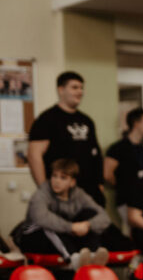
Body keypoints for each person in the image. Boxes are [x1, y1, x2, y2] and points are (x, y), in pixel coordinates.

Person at [17, 157, 132, 267]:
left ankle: (92, 255)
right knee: (48, 224)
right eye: (54, 176)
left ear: (72, 182)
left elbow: (104, 217)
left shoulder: (79, 194)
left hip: (66, 237)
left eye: (63, 178)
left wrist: (87, 225)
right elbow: (40, 218)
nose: (57, 181)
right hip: (33, 237)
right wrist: (71, 227)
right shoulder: (42, 193)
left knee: (89, 214)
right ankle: (73, 259)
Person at [28, 70, 105, 204]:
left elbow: (96, 155)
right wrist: (44, 190)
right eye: (74, 87)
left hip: (89, 193)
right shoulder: (47, 119)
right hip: (62, 194)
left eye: (81, 88)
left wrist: (100, 185)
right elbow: (34, 155)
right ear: (61, 90)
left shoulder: (87, 120)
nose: (80, 92)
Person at [104, 107, 143, 231]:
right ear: (136, 123)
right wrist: (123, 186)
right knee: (134, 231)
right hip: (126, 200)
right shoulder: (118, 148)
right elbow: (107, 174)